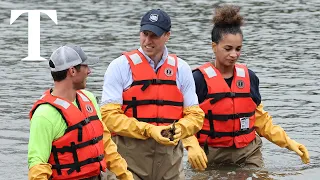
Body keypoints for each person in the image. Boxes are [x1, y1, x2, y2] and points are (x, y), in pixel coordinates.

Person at [182, 5, 310, 171]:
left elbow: (261, 120)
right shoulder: (198, 79)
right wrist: (192, 146)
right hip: (210, 154)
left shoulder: (249, 78)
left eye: (238, 49)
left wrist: (289, 143)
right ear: (214, 46)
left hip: (248, 152)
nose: (234, 54)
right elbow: (184, 118)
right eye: (228, 49)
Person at [100, 9, 205, 180]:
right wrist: (149, 130)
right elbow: (108, 118)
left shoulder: (182, 69)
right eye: (144, 33)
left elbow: (195, 116)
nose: (147, 41)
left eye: (154, 35)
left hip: (170, 162)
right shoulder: (119, 66)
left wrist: (179, 129)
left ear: (167, 35)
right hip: (129, 161)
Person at [28, 45, 133, 180]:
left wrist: (125, 176)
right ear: (72, 71)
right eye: (85, 67)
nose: (89, 71)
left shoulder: (88, 98)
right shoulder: (44, 115)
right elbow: (37, 165)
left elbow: (105, 143)